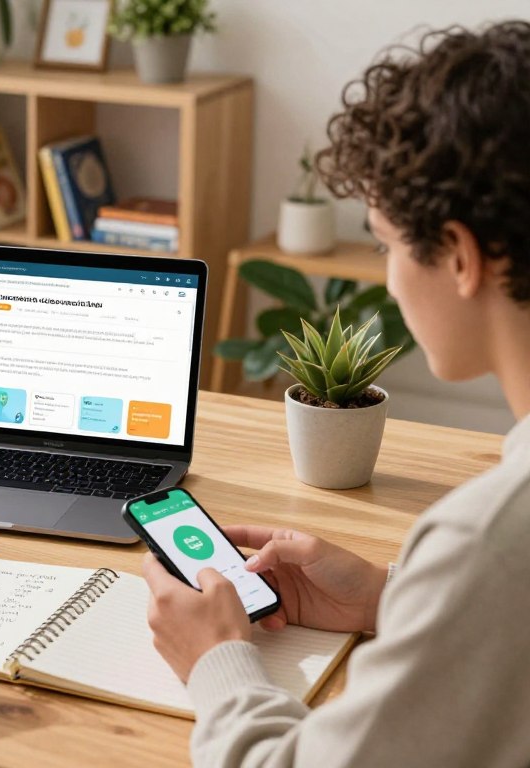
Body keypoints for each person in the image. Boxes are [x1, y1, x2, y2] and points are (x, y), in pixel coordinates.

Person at [142, 21, 530, 767]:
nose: (386, 272)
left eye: (384, 244)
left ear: (459, 256)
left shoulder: (489, 538)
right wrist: (393, 597)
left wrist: (216, 658)